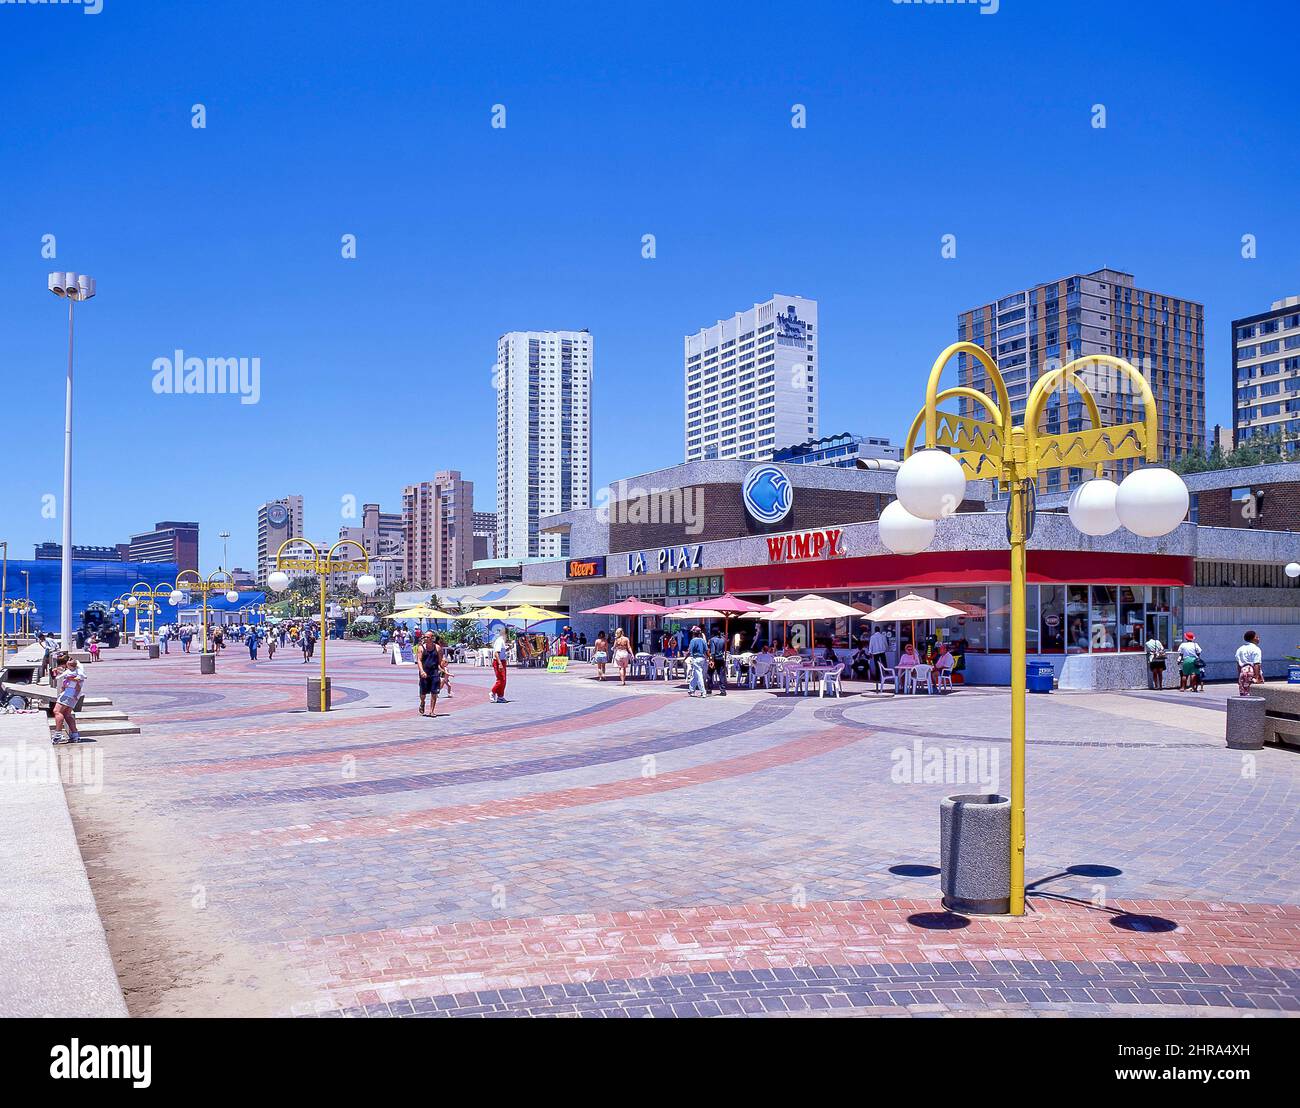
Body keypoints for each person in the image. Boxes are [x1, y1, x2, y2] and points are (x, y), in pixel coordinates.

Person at [51, 657, 85, 744]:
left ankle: (58, 735)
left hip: (69, 693)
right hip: (74, 695)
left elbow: (80, 678)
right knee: (67, 714)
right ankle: (75, 735)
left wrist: (69, 678)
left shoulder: (77, 670)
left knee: (57, 711)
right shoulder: (76, 667)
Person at [417, 631, 443, 717]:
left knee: (434, 692)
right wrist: (421, 671)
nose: (425, 639)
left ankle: (432, 711)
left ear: (432, 638)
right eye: (424, 637)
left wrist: (442, 669)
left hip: (434, 672)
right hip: (424, 672)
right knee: (423, 693)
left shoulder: (438, 648)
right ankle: (422, 702)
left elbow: (440, 661)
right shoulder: (421, 648)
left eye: (427, 637)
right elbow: (419, 660)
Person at [1236, 630, 1264, 697]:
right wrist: (1257, 677)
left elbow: (1238, 665)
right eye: (1257, 637)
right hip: (1252, 671)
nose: (1258, 639)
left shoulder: (1240, 649)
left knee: (1244, 692)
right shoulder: (1256, 649)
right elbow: (1256, 663)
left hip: (1243, 672)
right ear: (1253, 639)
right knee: (1256, 694)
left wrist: (1239, 676)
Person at [706, 625, 728, 696]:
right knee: (721, 675)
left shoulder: (712, 640)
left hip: (715, 659)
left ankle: (709, 689)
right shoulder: (723, 639)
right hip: (721, 658)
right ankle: (723, 690)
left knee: (709, 674)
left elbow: (712, 651)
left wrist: (711, 660)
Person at [686, 626, 708, 697]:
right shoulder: (703, 640)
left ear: (694, 633)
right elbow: (707, 650)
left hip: (695, 659)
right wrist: (710, 658)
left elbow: (689, 651)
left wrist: (685, 658)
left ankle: (703, 691)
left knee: (699, 675)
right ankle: (691, 690)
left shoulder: (693, 641)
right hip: (702, 658)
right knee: (695, 675)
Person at [490, 627, 509, 703]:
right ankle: (493, 692)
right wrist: (500, 663)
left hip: (502, 661)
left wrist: (507, 649)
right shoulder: (500, 641)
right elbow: (496, 653)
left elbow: (501, 652)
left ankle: (500, 696)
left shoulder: (502, 641)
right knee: (501, 679)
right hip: (498, 662)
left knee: (503, 680)